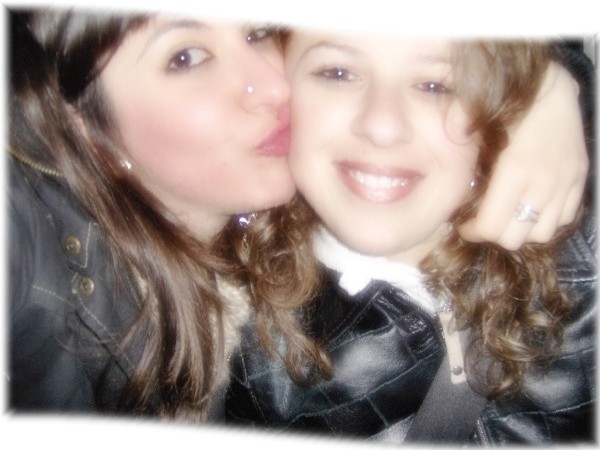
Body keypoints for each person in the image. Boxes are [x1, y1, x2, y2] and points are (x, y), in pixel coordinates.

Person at [7, 6, 591, 423]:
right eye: (185, 56)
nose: (272, 84)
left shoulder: (262, 254)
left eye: (260, 31)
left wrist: (545, 82)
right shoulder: (41, 247)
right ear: (88, 132)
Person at [224, 32, 596, 445]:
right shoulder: (248, 364)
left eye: (435, 85)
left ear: (495, 104)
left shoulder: (587, 255)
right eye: (338, 73)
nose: (382, 127)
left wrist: (553, 84)